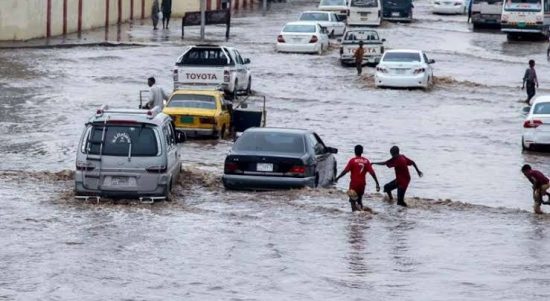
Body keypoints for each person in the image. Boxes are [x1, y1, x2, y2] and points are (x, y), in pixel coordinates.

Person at [336, 145, 380, 212]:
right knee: (359, 200)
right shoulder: (366, 161)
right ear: (362, 151)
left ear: (354, 151)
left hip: (353, 185)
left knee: (352, 201)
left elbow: (345, 171)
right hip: (362, 185)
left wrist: (337, 178)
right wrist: (377, 183)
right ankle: (361, 215)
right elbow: (372, 173)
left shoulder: (352, 161)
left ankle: (354, 215)